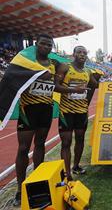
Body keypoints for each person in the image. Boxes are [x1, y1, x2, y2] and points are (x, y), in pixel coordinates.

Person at [11, 34, 57, 206]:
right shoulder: (26, 63)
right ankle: (19, 188)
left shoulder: (53, 66)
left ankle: (37, 182)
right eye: (43, 44)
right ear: (36, 45)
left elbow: (54, 85)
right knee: (23, 148)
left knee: (40, 144)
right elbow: (14, 80)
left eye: (49, 45)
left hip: (45, 109)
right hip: (27, 110)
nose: (46, 47)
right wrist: (37, 76)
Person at [55, 46, 99, 180]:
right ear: (73, 54)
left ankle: (76, 166)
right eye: (79, 52)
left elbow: (96, 85)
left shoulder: (88, 71)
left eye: (85, 53)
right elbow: (55, 86)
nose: (82, 55)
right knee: (66, 142)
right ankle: (67, 172)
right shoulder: (65, 67)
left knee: (80, 139)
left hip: (81, 111)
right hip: (66, 112)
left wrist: (111, 83)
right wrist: (73, 90)